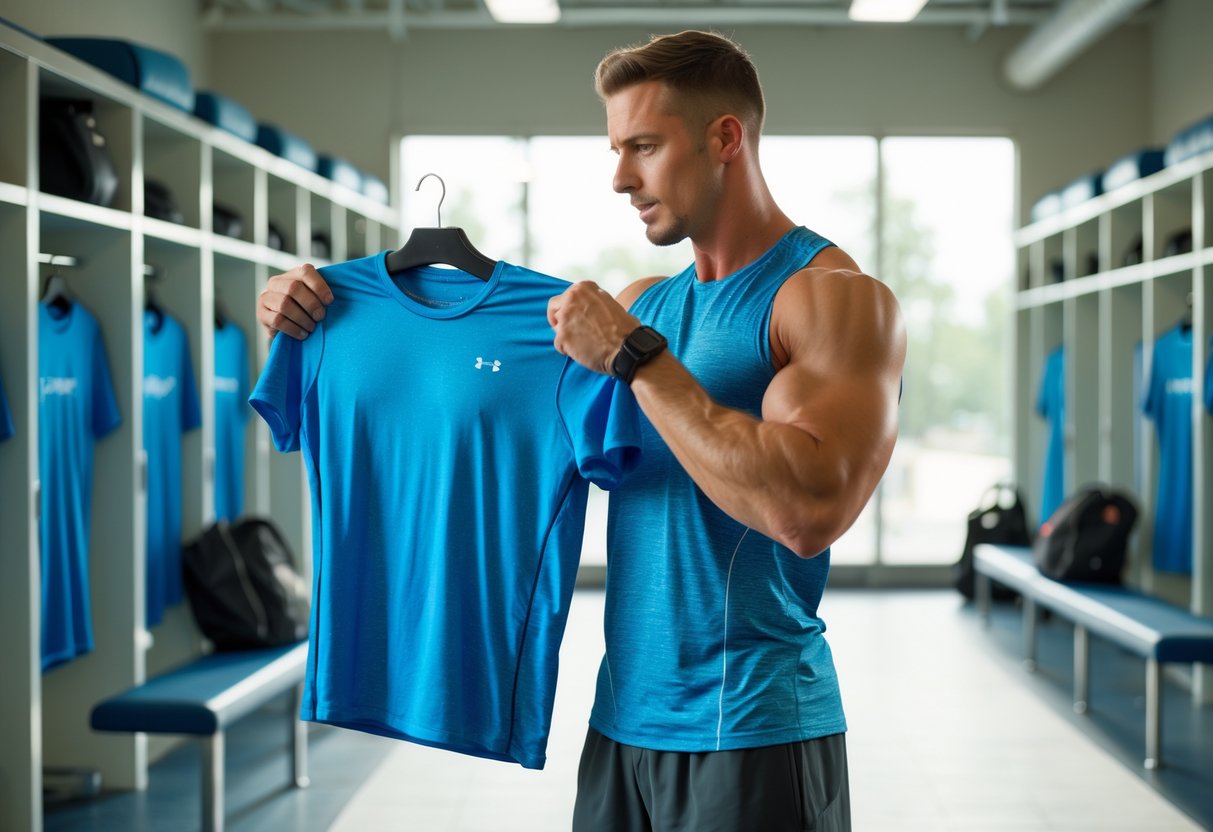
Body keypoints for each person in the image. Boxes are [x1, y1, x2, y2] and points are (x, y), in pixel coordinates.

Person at [257, 29, 905, 832]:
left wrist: (637, 359)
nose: (619, 178)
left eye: (642, 146)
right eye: (614, 149)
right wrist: (314, 312)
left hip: (754, 727)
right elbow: (468, 391)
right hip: (622, 722)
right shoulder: (647, 303)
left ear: (725, 138)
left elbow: (806, 511)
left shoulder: (831, 298)